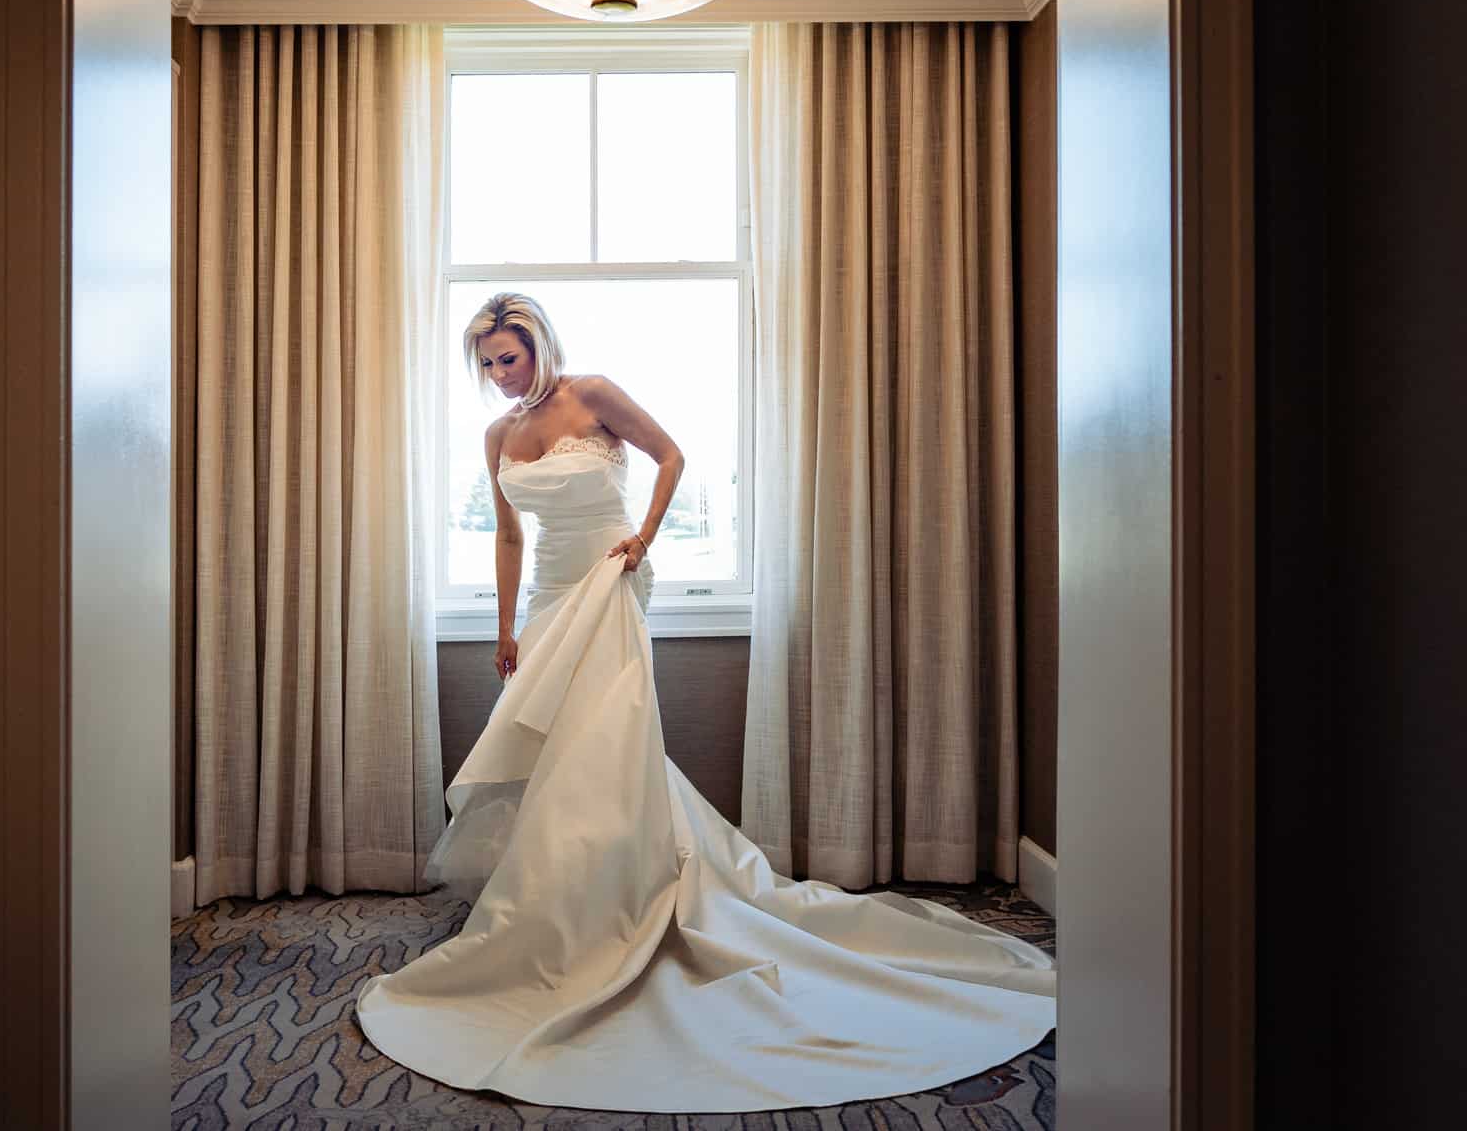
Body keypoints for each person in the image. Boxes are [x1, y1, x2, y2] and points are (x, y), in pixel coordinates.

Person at [354, 292, 1056, 1114]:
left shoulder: (596, 393)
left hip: (611, 584)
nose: (501, 376)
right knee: (553, 757)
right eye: (487, 364)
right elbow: (509, 535)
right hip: (548, 600)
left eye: (509, 357)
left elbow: (673, 455)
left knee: (601, 746)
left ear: (539, 345)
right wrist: (504, 628)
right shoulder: (497, 435)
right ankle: (569, 897)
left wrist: (644, 537)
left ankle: (624, 903)